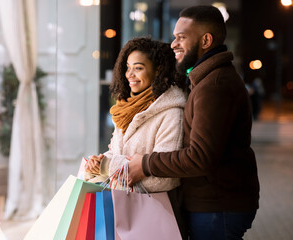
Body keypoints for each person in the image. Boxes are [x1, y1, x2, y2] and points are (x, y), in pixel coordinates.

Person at [127, 5, 260, 240]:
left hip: (217, 207)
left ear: (206, 40)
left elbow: (199, 158)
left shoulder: (214, 85)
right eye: (174, 37)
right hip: (217, 204)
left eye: (181, 38)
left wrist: (145, 164)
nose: (173, 44)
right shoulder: (207, 80)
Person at [84, 37, 187, 194]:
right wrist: (98, 164)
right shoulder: (127, 108)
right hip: (122, 204)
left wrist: (108, 166)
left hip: (152, 211)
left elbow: (165, 178)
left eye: (138, 68)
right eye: (127, 67)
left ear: (157, 70)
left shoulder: (171, 112)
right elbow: (117, 153)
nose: (129, 74)